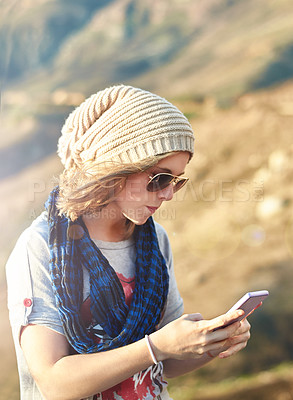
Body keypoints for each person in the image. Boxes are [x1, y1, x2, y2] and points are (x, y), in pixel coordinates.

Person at [6, 85, 250, 400]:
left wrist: (209, 344)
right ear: (114, 168)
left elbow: (165, 362)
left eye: (177, 181)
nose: (167, 194)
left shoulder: (154, 241)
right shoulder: (39, 247)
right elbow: (54, 383)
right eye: (160, 178)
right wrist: (157, 346)